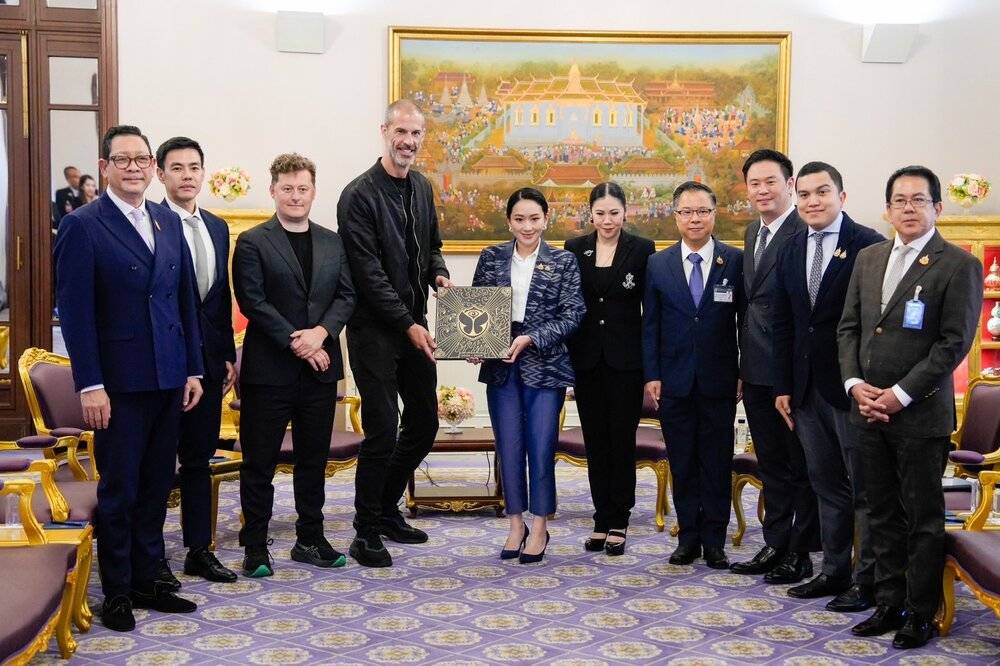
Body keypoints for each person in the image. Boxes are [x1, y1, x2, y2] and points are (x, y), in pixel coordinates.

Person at [54, 125, 204, 632]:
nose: (135, 167)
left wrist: (192, 367)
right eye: (124, 159)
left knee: (159, 483)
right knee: (120, 489)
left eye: (142, 159)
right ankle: (116, 590)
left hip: (168, 378)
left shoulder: (165, 219)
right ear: (105, 167)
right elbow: (75, 315)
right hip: (116, 385)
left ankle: (150, 579)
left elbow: (182, 299)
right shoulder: (83, 226)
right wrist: (89, 384)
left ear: (152, 168)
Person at [838, 165, 982, 648]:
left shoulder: (958, 264)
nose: (908, 208)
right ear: (887, 208)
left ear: (937, 208)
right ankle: (888, 602)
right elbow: (851, 329)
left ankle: (921, 612)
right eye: (899, 200)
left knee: (921, 517)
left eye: (919, 200)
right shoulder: (870, 257)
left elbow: (953, 344)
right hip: (867, 409)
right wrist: (856, 384)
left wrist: (899, 395)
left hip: (919, 415)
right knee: (880, 512)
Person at [337, 99, 452, 568]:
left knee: (424, 422)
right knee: (383, 428)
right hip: (374, 332)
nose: (408, 141)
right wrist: (407, 324)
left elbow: (432, 246)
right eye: (400, 132)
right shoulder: (358, 195)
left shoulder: (422, 187)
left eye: (416, 135)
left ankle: (385, 508)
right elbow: (368, 275)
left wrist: (439, 274)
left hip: (414, 326)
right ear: (384, 131)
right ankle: (365, 532)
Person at [233, 153, 356, 577]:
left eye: (303, 188)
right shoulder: (252, 241)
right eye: (287, 188)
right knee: (259, 463)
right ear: (273, 191)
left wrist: (321, 334)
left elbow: (346, 297)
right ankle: (255, 546)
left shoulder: (332, 241)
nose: (295, 196)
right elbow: (253, 301)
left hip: (320, 371)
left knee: (312, 460)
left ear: (313, 191)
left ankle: (310, 539)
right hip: (269, 373)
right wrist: (299, 343)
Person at [772, 162, 885, 610]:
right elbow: (784, 322)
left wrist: (864, 379)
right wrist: (782, 383)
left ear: (842, 195)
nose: (812, 202)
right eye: (804, 194)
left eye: (822, 192)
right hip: (804, 388)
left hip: (852, 386)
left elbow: (875, 323)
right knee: (826, 486)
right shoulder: (791, 245)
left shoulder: (868, 245)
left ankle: (867, 579)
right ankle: (834, 571)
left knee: (864, 489)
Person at [471, 187, 585, 564]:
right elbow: (477, 308)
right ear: (508, 221)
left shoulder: (563, 261)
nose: (527, 226)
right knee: (508, 446)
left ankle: (540, 525)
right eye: (519, 219)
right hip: (501, 365)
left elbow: (572, 314)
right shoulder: (491, 257)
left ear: (546, 219)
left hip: (545, 364)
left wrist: (532, 338)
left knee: (540, 446)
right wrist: (475, 344)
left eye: (534, 219)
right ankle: (515, 522)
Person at [730, 149, 820, 583]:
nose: (762, 190)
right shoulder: (752, 233)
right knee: (771, 463)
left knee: (799, 464)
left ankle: (801, 551)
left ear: (789, 185)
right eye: (754, 183)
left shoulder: (806, 234)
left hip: (793, 375)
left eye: (771, 182)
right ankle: (776, 542)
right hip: (757, 371)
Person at [643, 181, 743, 569]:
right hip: (674, 380)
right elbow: (650, 324)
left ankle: (715, 540)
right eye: (687, 211)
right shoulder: (658, 264)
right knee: (682, 461)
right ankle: (688, 538)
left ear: (714, 214)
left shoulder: (734, 261)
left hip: (721, 380)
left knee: (717, 460)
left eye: (702, 211)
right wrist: (652, 374)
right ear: (676, 216)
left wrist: (743, 371)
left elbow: (744, 322)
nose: (695, 218)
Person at [155, 136, 238, 585]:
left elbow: (218, 296)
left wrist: (225, 354)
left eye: (194, 167)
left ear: (203, 173)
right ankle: (151, 558)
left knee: (198, 459)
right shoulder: (151, 222)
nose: (187, 176)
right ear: (160, 174)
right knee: (157, 463)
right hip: (165, 362)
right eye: (177, 168)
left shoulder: (217, 225)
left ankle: (198, 550)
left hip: (208, 362)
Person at [565, 182, 654, 555]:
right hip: (586, 362)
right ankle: (601, 518)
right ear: (591, 214)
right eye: (600, 213)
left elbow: (650, 314)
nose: (607, 220)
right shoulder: (574, 249)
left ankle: (620, 519)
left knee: (621, 442)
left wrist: (651, 369)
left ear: (625, 212)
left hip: (626, 363)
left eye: (614, 213)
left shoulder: (642, 250)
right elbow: (569, 307)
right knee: (596, 443)